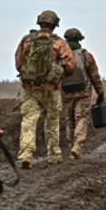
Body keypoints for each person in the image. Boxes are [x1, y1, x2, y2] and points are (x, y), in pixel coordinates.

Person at [14, 10, 76, 169]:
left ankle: (26, 154)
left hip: (30, 89)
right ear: (55, 25)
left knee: (28, 121)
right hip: (51, 89)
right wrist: (58, 74)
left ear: (39, 22)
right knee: (52, 121)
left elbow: (19, 63)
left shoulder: (27, 40)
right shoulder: (60, 42)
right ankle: (54, 154)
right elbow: (70, 65)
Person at [60, 28, 105, 160]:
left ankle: (70, 147)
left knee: (69, 120)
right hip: (83, 92)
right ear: (79, 39)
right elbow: (94, 76)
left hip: (66, 92)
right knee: (81, 118)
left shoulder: (61, 56)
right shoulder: (86, 55)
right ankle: (77, 146)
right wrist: (100, 92)